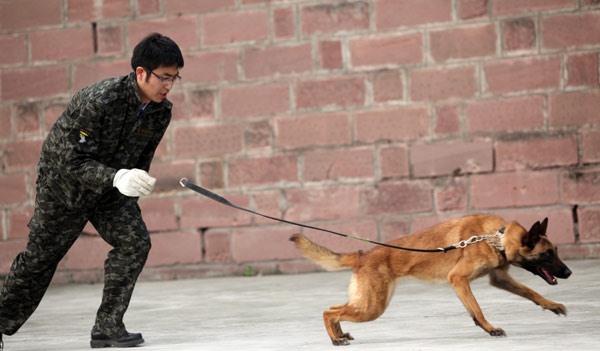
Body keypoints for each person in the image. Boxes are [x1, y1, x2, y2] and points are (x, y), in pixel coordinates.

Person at [0, 32, 184, 349]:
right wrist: (117, 177)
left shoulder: (160, 111)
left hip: (111, 188)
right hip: (64, 186)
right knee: (39, 260)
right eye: (164, 78)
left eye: (175, 78)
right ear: (141, 72)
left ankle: (108, 327)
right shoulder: (100, 100)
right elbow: (69, 159)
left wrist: (136, 182)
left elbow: (142, 157)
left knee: (135, 241)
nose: (169, 85)